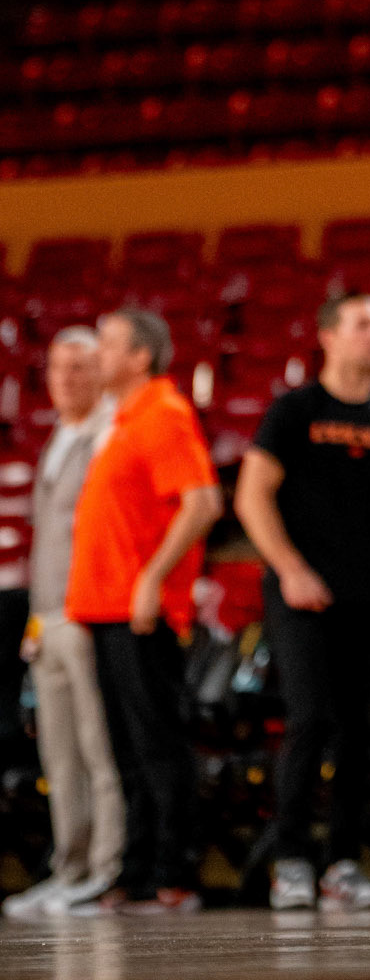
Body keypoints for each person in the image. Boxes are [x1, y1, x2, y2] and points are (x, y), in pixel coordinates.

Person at [234, 291, 370, 913]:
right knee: (309, 720)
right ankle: (291, 861)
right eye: (362, 324)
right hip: (300, 597)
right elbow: (251, 496)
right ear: (327, 335)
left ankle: (342, 866)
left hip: (365, 594)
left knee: (357, 731)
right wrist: (291, 568)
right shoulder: (294, 412)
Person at [63, 308, 221, 914]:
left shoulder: (165, 414)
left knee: (158, 743)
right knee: (126, 749)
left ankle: (173, 875)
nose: (97, 355)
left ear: (141, 357)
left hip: (138, 610)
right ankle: (134, 873)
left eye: (107, 345)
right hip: (103, 607)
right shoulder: (123, 420)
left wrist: (153, 579)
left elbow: (203, 503)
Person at [3, 330, 124, 919]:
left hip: (87, 611)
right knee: (59, 754)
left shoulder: (108, 435)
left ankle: (105, 871)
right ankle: (68, 867)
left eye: (80, 368)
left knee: (98, 749)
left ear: (101, 372)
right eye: (58, 368)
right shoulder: (58, 435)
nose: (67, 379)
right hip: (46, 616)